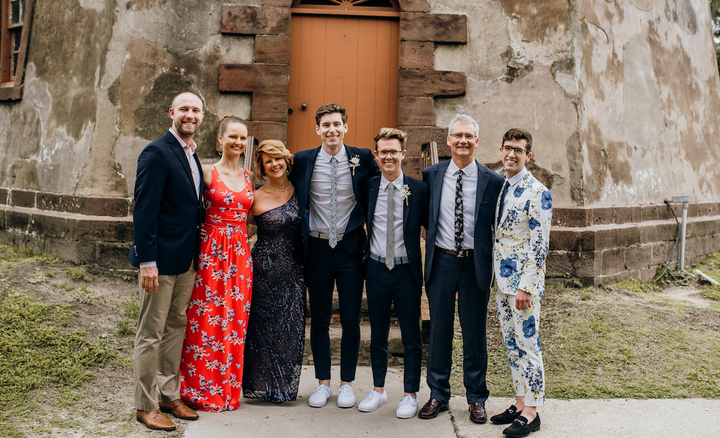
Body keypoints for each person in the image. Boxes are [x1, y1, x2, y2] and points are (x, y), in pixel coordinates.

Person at [289, 103, 379, 409]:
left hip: (351, 248)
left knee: (352, 319)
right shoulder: (302, 160)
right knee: (320, 320)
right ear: (317, 129)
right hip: (316, 248)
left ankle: (347, 384)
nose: (331, 130)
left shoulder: (362, 157)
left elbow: (381, 189)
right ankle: (323, 383)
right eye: (325, 125)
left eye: (336, 124)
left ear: (345, 127)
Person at [419, 114, 504, 423]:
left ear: (476, 142)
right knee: (439, 331)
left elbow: (501, 225)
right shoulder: (431, 175)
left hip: (474, 265)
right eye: (458, 136)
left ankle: (476, 397)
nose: (463, 141)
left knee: (474, 333)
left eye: (469, 136)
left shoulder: (493, 181)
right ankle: (438, 394)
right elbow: (422, 216)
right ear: (449, 141)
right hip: (441, 261)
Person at [129, 91, 205, 431]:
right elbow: (144, 210)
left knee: (176, 328)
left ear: (202, 117)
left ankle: (168, 395)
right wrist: (147, 261)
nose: (190, 115)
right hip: (159, 261)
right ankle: (145, 405)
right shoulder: (157, 151)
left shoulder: (192, 153)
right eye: (184, 109)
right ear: (172, 112)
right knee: (151, 333)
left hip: (187, 259)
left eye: (196, 110)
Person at [179, 114, 254, 412]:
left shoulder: (249, 176)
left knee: (234, 323)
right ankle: (197, 388)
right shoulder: (206, 172)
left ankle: (226, 390)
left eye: (242, 137)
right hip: (211, 254)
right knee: (205, 319)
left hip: (241, 257)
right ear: (219, 139)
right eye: (232, 136)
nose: (238, 142)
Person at [357, 128, 428, 418]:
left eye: (393, 151)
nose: (388, 156)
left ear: (403, 154)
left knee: (411, 336)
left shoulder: (419, 189)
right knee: (378, 334)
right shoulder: (368, 186)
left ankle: (410, 394)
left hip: (406, 270)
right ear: (376, 155)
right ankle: (378, 390)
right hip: (375, 268)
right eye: (382, 151)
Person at [490, 128, 552, 437]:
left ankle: (533, 411)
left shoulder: (537, 191)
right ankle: (519, 401)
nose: (511, 154)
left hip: (523, 287)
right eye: (507, 148)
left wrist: (527, 286)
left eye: (518, 150)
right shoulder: (503, 186)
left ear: (527, 156)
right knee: (512, 345)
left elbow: (540, 245)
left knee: (529, 345)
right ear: (501, 151)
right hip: (501, 283)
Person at [242, 140, 306, 403]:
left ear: (287, 161)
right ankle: (261, 385)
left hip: (293, 271)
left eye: (278, 158)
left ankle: (283, 386)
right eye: (268, 161)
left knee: (290, 329)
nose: (274, 164)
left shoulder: (303, 191)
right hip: (263, 271)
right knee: (262, 329)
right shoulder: (254, 196)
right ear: (262, 167)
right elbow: (237, 228)